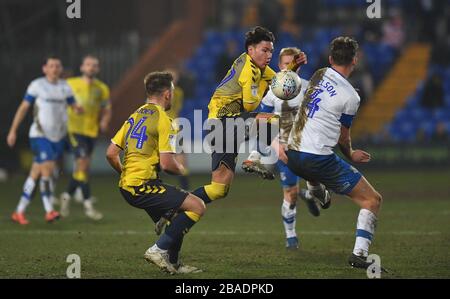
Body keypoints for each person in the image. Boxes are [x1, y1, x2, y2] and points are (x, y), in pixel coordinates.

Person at [285, 37, 384, 270]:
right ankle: (359, 255)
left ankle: (316, 192)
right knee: (372, 200)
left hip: (292, 155)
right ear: (355, 61)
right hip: (316, 158)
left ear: (330, 59)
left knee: (312, 168)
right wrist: (350, 154)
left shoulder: (319, 74)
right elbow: (343, 136)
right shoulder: (351, 97)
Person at [189, 26, 306, 208]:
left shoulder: (260, 68)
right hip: (222, 123)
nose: (269, 56)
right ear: (251, 50)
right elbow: (251, 105)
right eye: (264, 50)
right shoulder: (247, 69)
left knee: (219, 189)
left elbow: (279, 82)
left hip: (223, 124)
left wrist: (293, 67)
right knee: (272, 120)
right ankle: (255, 157)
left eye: (271, 51)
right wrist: (264, 87)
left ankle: (177, 206)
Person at [106, 71, 205, 274]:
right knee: (197, 206)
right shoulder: (164, 119)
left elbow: (111, 153)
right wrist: (182, 169)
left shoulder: (135, 115)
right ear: (167, 94)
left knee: (178, 216)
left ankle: (174, 263)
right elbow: (168, 164)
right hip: (143, 185)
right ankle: (157, 250)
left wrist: (125, 174)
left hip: (129, 185)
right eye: (173, 92)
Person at [242, 47, 331, 249]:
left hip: (308, 149)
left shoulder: (309, 88)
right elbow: (262, 120)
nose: (289, 67)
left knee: (316, 189)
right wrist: (267, 146)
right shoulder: (273, 92)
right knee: (290, 193)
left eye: (293, 63)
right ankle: (291, 236)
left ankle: (310, 195)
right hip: (284, 149)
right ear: (280, 66)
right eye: (284, 64)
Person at [7, 56, 83, 224]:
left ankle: (19, 211)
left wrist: (78, 108)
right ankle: (49, 210)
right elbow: (23, 107)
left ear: (60, 69)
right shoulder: (37, 85)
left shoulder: (65, 87)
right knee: (47, 169)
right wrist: (13, 130)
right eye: (51, 66)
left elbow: (73, 105)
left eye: (57, 65)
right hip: (40, 135)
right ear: (45, 69)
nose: (55, 68)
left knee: (35, 173)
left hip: (58, 137)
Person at [59, 55, 111, 220]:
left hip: (91, 132)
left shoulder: (101, 88)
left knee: (82, 168)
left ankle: (66, 197)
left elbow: (107, 108)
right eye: (88, 65)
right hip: (74, 130)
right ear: (82, 67)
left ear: (98, 69)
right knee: (81, 163)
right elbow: (59, 102)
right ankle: (88, 206)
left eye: (94, 65)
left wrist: (104, 121)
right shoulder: (71, 84)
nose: (91, 68)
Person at [165, 67, 189, 191]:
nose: (173, 80)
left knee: (181, 158)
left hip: (173, 127)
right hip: (163, 127)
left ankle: (185, 188)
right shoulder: (175, 92)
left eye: (174, 77)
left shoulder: (178, 92)